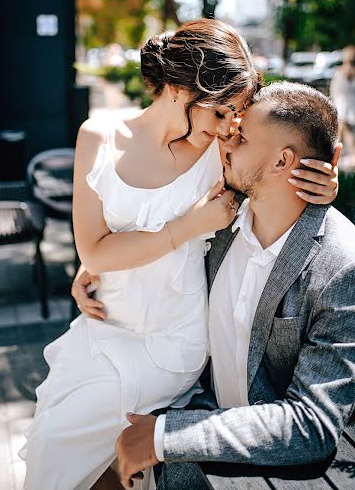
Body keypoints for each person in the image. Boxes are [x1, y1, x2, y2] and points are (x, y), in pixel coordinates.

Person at [19, 19, 338, 490]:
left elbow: (280, 165)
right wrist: (105, 259)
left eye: (236, 115)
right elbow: (95, 248)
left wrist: (322, 183)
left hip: (173, 339)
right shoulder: (98, 137)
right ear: (177, 88)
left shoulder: (220, 154)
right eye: (221, 111)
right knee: (66, 447)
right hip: (105, 321)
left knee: (59, 442)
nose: (230, 127)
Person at [113, 82, 355, 490]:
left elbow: (311, 425)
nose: (226, 140)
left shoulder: (341, 266)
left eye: (240, 137)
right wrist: (96, 271)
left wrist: (163, 435)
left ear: (282, 161)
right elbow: (145, 232)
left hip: (278, 471)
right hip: (190, 409)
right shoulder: (217, 218)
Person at [330, 45, 355, 161]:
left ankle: (334, 156)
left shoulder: (339, 72)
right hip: (351, 105)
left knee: (342, 132)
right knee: (345, 131)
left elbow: (335, 90)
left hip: (342, 105)